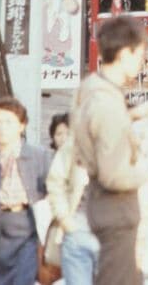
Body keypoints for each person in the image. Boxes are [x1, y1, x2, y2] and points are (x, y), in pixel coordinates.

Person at [70, 15, 148, 284]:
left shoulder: (91, 87)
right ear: (125, 54)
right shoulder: (108, 104)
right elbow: (114, 176)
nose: (142, 62)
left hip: (101, 208)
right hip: (116, 211)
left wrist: (132, 115)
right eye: (140, 54)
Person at [0, 97, 50, 285]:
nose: (2, 128)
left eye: (9, 122)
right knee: (2, 280)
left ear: (22, 126)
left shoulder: (38, 156)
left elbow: (54, 190)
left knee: (24, 277)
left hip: (28, 223)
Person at [47, 111, 100, 284]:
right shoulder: (74, 144)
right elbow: (55, 182)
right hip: (78, 227)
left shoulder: (127, 138)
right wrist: (64, 218)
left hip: (114, 232)